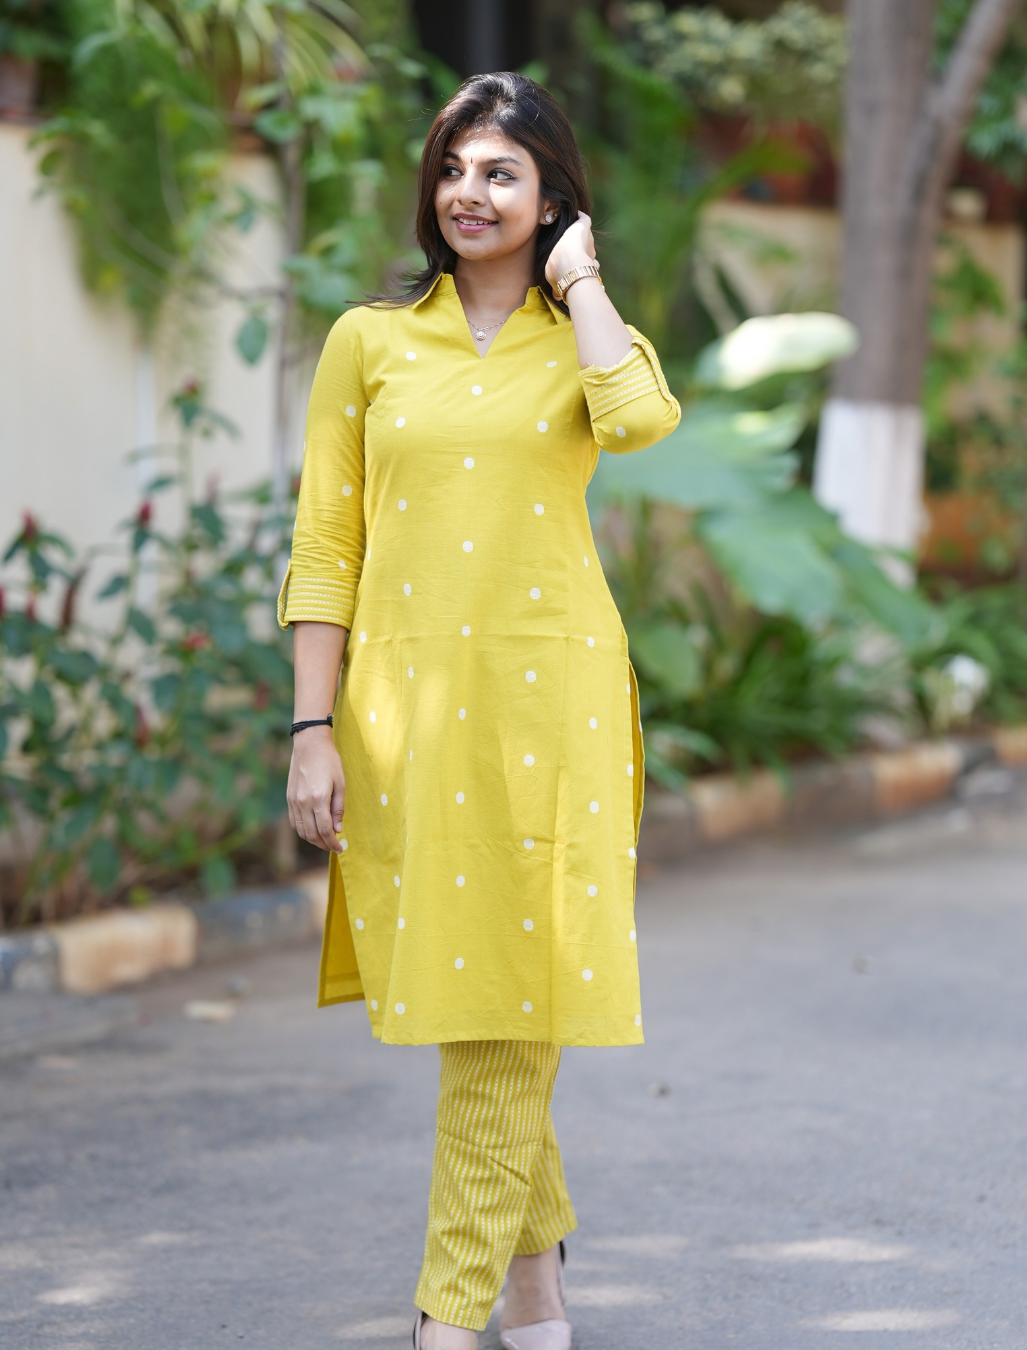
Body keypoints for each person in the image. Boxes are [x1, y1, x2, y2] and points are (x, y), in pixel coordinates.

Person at [280, 70, 681, 1350]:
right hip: (408, 713)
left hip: (552, 709)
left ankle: (447, 1322)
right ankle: (539, 1281)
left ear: (553, 197)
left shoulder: (587, 342)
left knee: (505, 1011)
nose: (469, 191)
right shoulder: (369, 341)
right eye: (453, 168)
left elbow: (642, 424)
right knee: (486, 1003)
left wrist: (582, 280)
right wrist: (312, 729)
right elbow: (326, 546)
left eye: (502, 172)